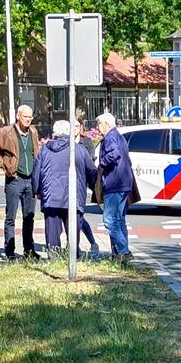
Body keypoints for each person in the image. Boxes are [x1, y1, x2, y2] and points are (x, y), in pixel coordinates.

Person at [32, 119, 96, 258]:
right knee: (73, 231)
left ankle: (54, 257)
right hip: (74, 196)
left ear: (55, 132)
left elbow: (36, 172)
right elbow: (91, 171)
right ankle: (73, 256)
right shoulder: (79, 149)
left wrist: (37, 190)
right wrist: (94, 187)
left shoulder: (45, 149)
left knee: (52, 231)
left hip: (51, 196)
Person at [0, 105, 41, 260]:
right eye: (26, 116)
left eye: (31, 116)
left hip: (30, 179)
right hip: (14, 179)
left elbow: (36, 152)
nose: (29, 119)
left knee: (29, 216)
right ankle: (9, 251)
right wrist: (6, 166)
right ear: (18, 116)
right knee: (11, 216)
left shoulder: (33, 132)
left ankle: (29, 250)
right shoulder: (6, 132)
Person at [96, 112, 134, 262]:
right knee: (119, 219)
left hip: (114, 182)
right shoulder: (119, 136)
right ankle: (120, 253)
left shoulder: (110, 137)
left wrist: (102, 164)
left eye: (98, 124)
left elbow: (114, 154)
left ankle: (124, 251)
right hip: (124, 182)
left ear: (106, 124)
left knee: (109, 219)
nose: (97, 127)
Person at [75, 118, 101, 258]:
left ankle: (92, 242)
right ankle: (73, 245)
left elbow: (90, 163)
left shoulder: (86, 142)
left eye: (77, 126)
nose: (74, 128)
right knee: (66, 216)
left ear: (81, 127)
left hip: (81, 183)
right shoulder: (64, 142)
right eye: (71, 125)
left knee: (78, 215)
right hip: (65, 183)